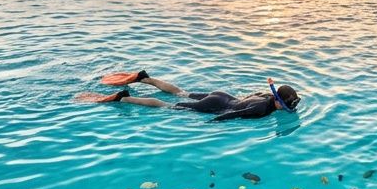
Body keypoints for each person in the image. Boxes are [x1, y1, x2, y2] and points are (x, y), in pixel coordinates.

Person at [97, 72, 300, 120]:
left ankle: (144, 78)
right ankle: (122, 98)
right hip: (215, 106)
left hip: (221, 95)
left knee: (180, 92)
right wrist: (213, 122)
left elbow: (249, 96)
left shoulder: (265, 96)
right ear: (278, 101)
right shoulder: (263, 110)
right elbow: (230, 116)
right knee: (167, 106)